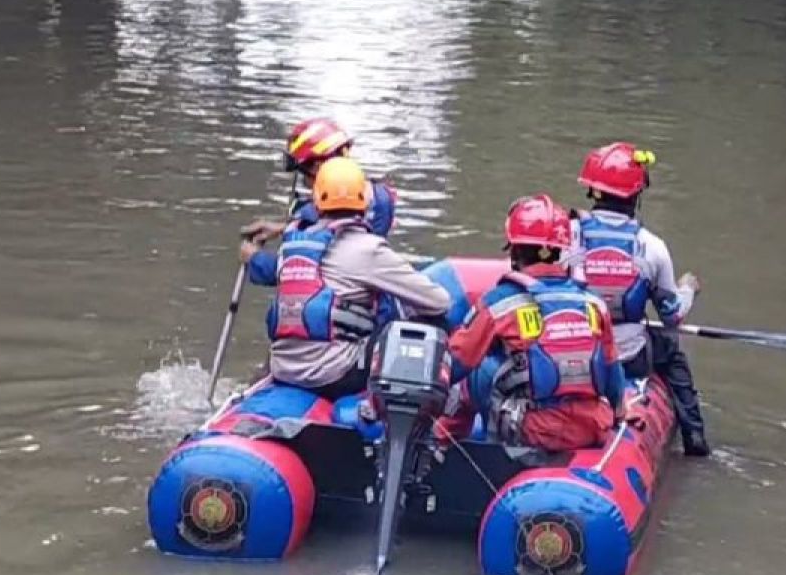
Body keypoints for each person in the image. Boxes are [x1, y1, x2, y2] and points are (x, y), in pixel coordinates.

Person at [435, 194, 636, 453]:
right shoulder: (593, 303)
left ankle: (441, 442)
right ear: (561, 251)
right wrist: (620, 412)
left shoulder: (499, 303)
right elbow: (612, 371)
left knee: (476, 369)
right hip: (591, 428)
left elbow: (456, 363)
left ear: (515, 250)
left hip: (533, 430)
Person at [240, 157, 451, 400]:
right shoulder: (369, 250)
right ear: (364, 205)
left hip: (284, 368)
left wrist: (252, 257)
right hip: (333, 376)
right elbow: (439, 301)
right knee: (431, 324)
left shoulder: (293, 244)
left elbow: (272, 270)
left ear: (316, 204)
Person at [571, 143, 710, 456]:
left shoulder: (564, 235)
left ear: (593, 192)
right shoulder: (652, 247)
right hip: (628, 358)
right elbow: (672, 316)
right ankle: (695, 437)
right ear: (637, 195)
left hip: (571, 353)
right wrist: (688, 289)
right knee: (671, 352)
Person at [242, 119, 397, 285]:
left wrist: (253, 258)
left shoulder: (316, 212)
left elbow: (296, 270)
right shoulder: (377, 197)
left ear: (316, 167)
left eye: (303, 173)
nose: (304, 182)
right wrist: (285, 228)